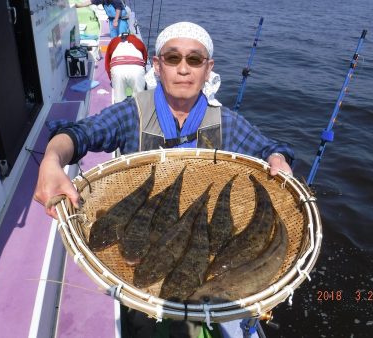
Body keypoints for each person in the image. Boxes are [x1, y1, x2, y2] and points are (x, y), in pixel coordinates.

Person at [34, 22, 294, 337]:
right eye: (173, 58)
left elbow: (271, 149)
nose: (183, 69)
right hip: (150, 266)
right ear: (156, 65)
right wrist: (52, 159)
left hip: (202, 248)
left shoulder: (225, 121)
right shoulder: (133, 113)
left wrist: (278, 160)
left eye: (194, 60)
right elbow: (78, 133)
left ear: (208, 69)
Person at [105, 32, 148, 102]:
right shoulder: (138, 41)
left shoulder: (113, 41)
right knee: (139, 100)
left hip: (117, 70)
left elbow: (107, 63)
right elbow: (145, 59)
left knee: (119, 100)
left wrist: (112, 79)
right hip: (136, 70)